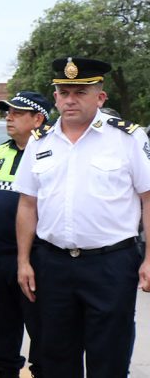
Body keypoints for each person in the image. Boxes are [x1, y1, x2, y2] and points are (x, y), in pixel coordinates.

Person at [14, 57, 150, 377]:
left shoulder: (127, 139)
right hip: (53, 264)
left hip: (111, 265)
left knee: (109, 359)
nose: (70, 100)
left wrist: (149, 259)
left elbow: (148, 199)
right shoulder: (40, 141)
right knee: (56, 358)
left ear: (100, 97)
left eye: (80, 92)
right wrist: (23, 261)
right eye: (64, 92)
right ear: (55, 97)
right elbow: (27, 204)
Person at [0, 92, 49, 377]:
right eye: (7, 112)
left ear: (38, 119)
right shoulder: (1, 151)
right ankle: (5, 369)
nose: (8, 117)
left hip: (35, 254)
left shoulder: (50, 152)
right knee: (0, 321)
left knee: (40, 323)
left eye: (17, 113)